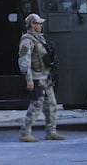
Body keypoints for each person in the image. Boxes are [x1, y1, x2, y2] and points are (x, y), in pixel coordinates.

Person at [17, 13, 65, 142]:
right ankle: (25, 133)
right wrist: (29, 80)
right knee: (36, 105)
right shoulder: (27, 41)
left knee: (52, 104)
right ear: (32, 24)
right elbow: (24, 61)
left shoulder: (39, 39)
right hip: (36, 78)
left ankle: (51, 132)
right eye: (38, 23)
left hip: (46, 77)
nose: (41, 25)